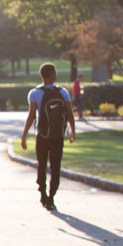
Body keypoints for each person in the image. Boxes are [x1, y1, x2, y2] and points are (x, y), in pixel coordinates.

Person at [21, 63, 76, 211]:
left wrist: (24, 135)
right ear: (52, 74)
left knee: (42, 165)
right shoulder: (63, 92)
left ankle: (43, 194)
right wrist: (72, 130)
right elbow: (70, 114)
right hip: (58, 135)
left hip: (42, 136)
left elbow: (31, 116)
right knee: (55, 166)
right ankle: (51, 197)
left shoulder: (34, 93)